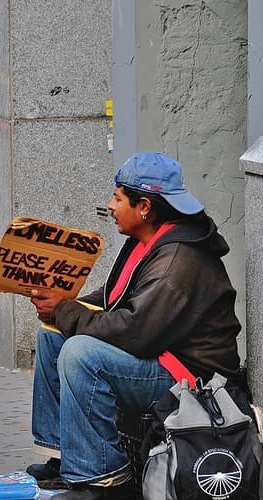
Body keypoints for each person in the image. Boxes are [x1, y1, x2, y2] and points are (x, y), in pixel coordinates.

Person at [26, 152, 242, 499]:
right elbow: (115, 298)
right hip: (160, 354)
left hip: (189, 376)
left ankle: (100, 478)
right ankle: (64, 455)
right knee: (52, 336)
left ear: (144, 206)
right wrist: (63, 307)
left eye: (117, 198)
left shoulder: (178, 260)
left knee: (81, 353)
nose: (110, 206)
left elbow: (136, 331)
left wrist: (66, 311)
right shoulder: (147, 242)